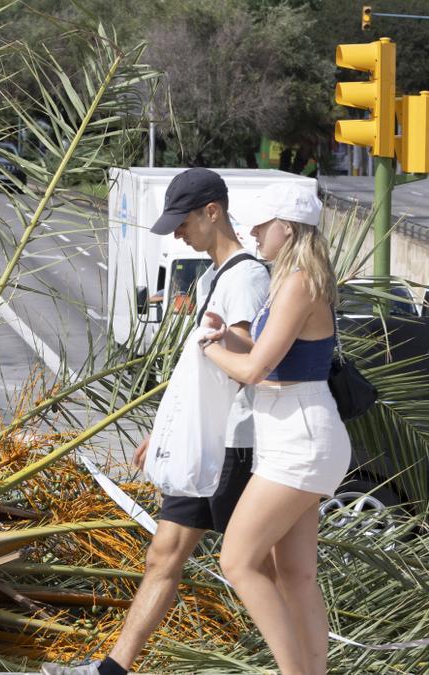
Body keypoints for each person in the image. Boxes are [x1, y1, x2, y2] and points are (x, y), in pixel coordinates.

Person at [43, 168, 271, 675]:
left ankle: (301, 662)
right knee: (167, 555)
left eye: (182, 222)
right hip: (208, 442)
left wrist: (217, 341)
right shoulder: (215, 276)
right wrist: (166, 428)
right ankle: (112, 670)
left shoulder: (248, 278)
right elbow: (202, 371)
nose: (176, 234)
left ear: (213, 211)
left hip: (231, 448)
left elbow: (251, 357)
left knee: (263, 570)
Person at [200, 183, 347, 675]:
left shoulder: (300, 282)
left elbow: (255, 371)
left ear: (288, 226)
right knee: (297, 575)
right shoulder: (295, 280)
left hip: (299, 439)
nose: (253, 232)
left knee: (237, 561)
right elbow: (270, 359)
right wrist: (230, 341)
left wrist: (206, 346)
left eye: (262, 224)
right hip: (297, 434)